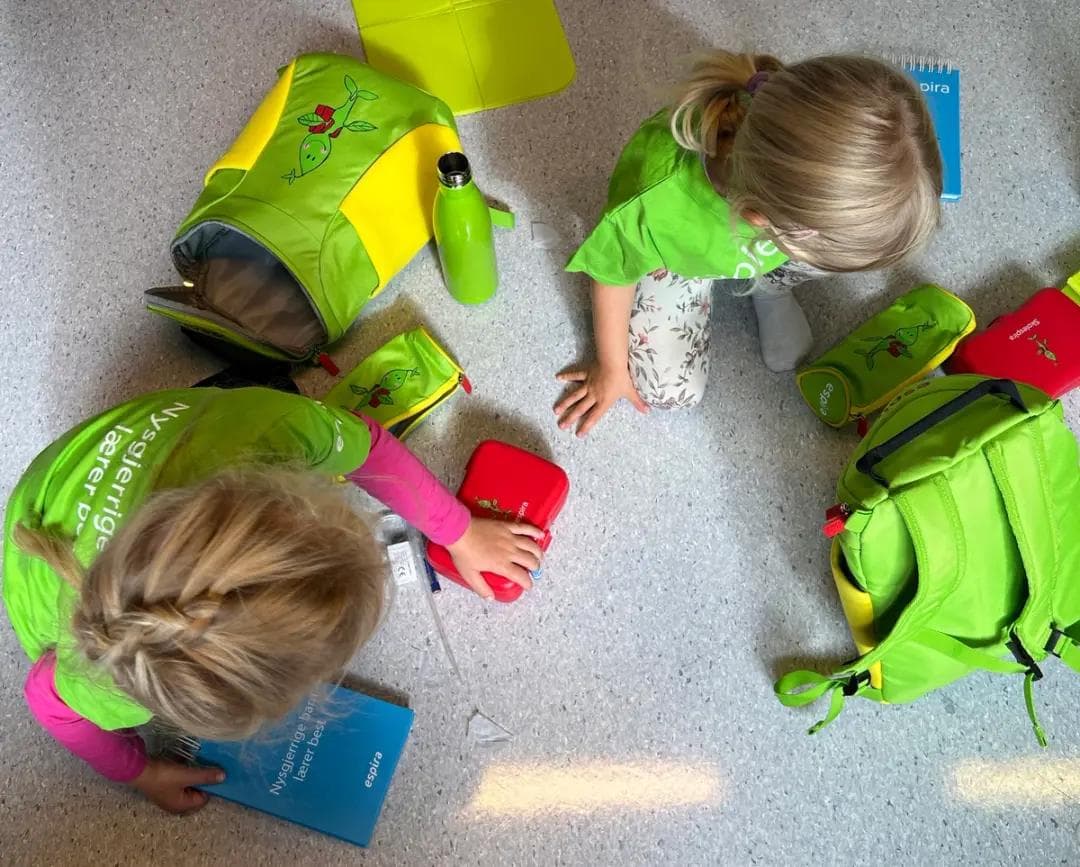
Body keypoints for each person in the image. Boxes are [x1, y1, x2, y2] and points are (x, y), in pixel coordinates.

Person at [4, 386, 543, 813]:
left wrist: (460, 530)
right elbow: (49, 702)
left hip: (66, 479)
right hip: (42, 546)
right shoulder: (110, 672)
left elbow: (369, 446)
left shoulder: (263, 425)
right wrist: (138, 770)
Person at [554, 52, 942, 434]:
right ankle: (762, 274)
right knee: (669, 392)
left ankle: (770, 287)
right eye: (813, 242)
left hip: (765, 226)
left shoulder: (792, 143)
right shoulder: (656, 201)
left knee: (836, 247)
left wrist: (818, 249)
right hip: (677, 257)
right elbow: (611, 273)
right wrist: (610, 367)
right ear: (757, 219)